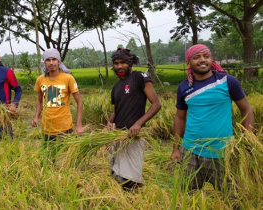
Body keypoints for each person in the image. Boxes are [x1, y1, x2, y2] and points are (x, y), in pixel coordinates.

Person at [170, 44, 254, 192]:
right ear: (188, 63)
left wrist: (247, 141)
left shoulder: (227, 81)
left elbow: (246, 109)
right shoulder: (184, 87)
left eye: (206, 56)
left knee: (232, 198)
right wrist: (176, 148)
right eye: (196, 57)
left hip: (222, 152)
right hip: (190, 151)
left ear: (211, 59)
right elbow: (180, 118)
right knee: (188, 196)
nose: (202, 60)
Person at [107, 48, 161, 191]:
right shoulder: (116, 86)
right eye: (116, 63)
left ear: (130, 62)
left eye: (123, 63)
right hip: (119, 135)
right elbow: (116, 110)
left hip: (133, 135)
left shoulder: (139, 77)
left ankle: (136, 201)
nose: (119, 66)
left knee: (131, 176)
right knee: (117, 172)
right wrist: (110, 121)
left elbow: (156, 104)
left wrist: (138, 123)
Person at [31, 48, 83, 141]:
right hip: (46, 128)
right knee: (48, 155)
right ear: (45, 62)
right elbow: (39, 101)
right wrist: (36, 117)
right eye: (48, 60)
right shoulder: (40, 80)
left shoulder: (68, 78)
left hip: (64, 128)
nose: (51, 63)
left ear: (58, 61)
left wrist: (78, 125)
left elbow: (79, 102)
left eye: (54, 59)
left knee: (64, 155)